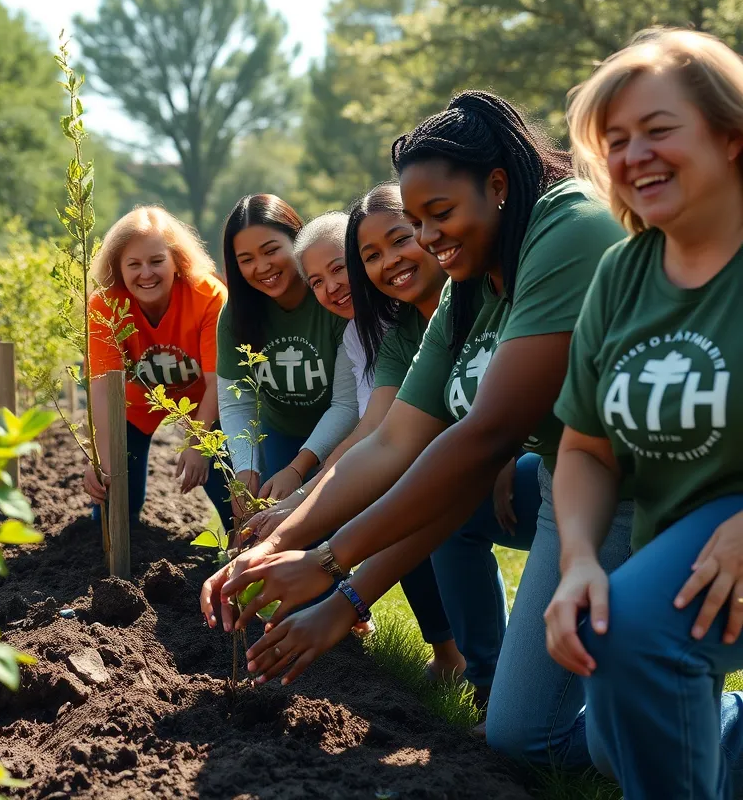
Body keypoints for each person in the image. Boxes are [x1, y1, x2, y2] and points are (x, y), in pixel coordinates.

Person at [204, 90, 629, 768]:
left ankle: (704, 728)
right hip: (566, 482)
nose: (429, 238)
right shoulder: (470, 286)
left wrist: (331, 572)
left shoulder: (565, 230)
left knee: (529, 738)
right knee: (517, 732)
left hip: (643, 487)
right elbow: (392, 441)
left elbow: (485, 434)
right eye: (419, 221)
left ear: (497, 186)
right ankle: (508, 680)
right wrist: (281, 539)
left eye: (438, 215)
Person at [544, 28, 743, 799]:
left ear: (729, 134)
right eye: (617, 140)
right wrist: (581, 560)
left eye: (659, 130)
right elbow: (586, 449)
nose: (634, 157)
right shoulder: (622, 275)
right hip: (687, 540)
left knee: (634, 642)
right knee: (614, 730)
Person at [289, 201, 465, 683]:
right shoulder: (364, 334)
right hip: (397, 449)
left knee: (410, 521)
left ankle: (457, 653)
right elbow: (369, 422)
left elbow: (382, 427)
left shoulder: (421, 310)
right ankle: (460, 656)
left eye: (339, 269)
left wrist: (304, 491)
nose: (331, 287)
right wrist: (303, 493)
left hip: (443, 453)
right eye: (317, 282)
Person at [82, 206, 232, 528]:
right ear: (118, 268)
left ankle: (242, 541)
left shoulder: (208, 296)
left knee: (228, 487)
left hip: (204, 402)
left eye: (157, 261)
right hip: (135, 406)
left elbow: (218, 380)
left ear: (177, 261)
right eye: (133, 264)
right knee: (116, 503)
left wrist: (199, 442)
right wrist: (102, 457)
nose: (145, 273)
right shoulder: (104, 305)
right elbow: (101, 387)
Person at [216, 195, 358, 520]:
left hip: (345, 432)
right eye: (246, 258)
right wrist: (245, 470)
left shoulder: (333, 297)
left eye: (271, 250)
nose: (262, 266)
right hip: (279, 430)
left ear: (297, 240)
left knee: (335, 526)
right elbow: (236, 400)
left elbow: (347, 405)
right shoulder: (236, 315)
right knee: (282, 529)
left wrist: (300, 467)